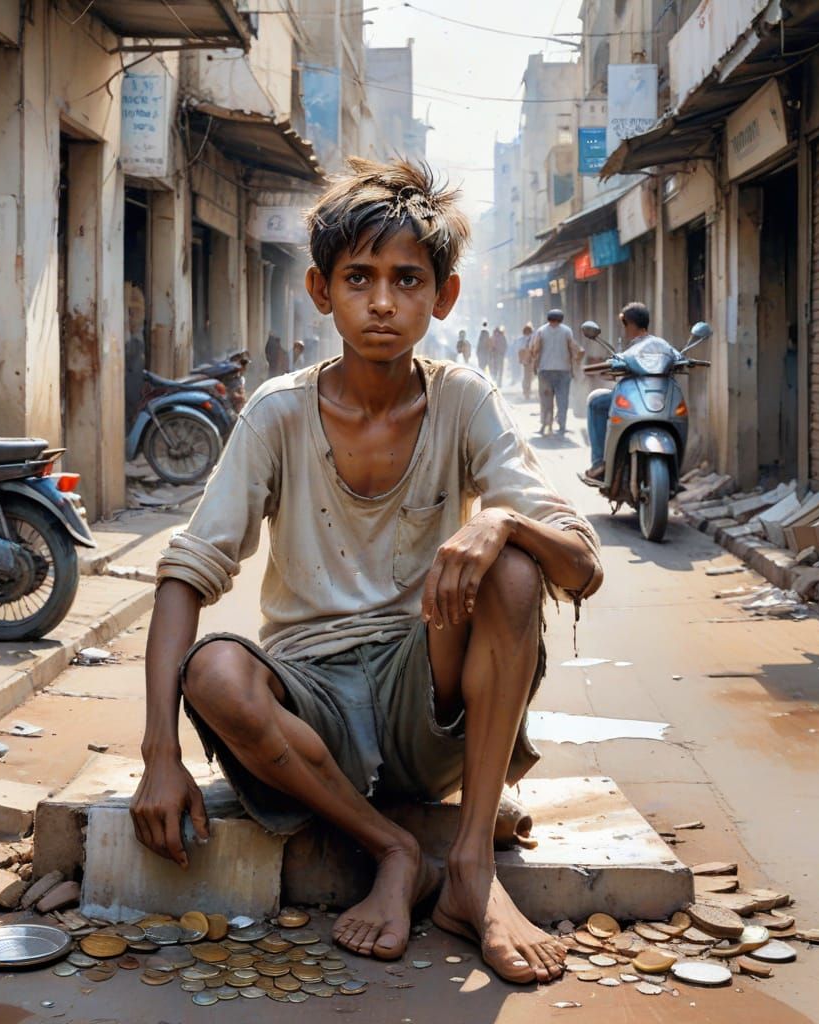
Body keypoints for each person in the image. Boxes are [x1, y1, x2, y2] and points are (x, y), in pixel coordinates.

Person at [130, 158, 602, 986]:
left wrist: (499, 520)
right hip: (312, 711)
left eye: (407, 280)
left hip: (430, 700)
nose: (382, 302)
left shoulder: (466, 400)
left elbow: (583, 567)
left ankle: (469, 874)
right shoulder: (277, 411)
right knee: (212, 670)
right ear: (321, 290)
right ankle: (395, 847)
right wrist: (159, 755)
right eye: (359, 278)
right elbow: (186, 574)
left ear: (442, 298)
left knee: (518, 572)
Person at [585, 301, 654, 481]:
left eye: (624, 324)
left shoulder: (631, 349)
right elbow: (678, 356)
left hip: (635, 398)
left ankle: (599, 462)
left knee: (595, 402)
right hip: (656, 398)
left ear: (629, 324)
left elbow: (618, 362)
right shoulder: (660, 345)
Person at [530, 309, 584, 435]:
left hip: (545, 370)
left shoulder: (541, 331)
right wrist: (576, 362)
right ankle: (562, 426)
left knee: (546, 400)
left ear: (548, 318)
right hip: (563, 371)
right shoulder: (566, 331)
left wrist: (534, 365)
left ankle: (545, 424)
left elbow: (535, 349)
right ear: (561, 319)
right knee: (562, 399)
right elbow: (573, 347)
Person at [515, 323, 535, 399]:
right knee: (527, 377)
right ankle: (526, 391)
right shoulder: (522, 340)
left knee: (529, 377)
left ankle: (527, 391)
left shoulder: (532, 339)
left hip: (531, 360)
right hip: (526, 361)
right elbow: (519, 350)